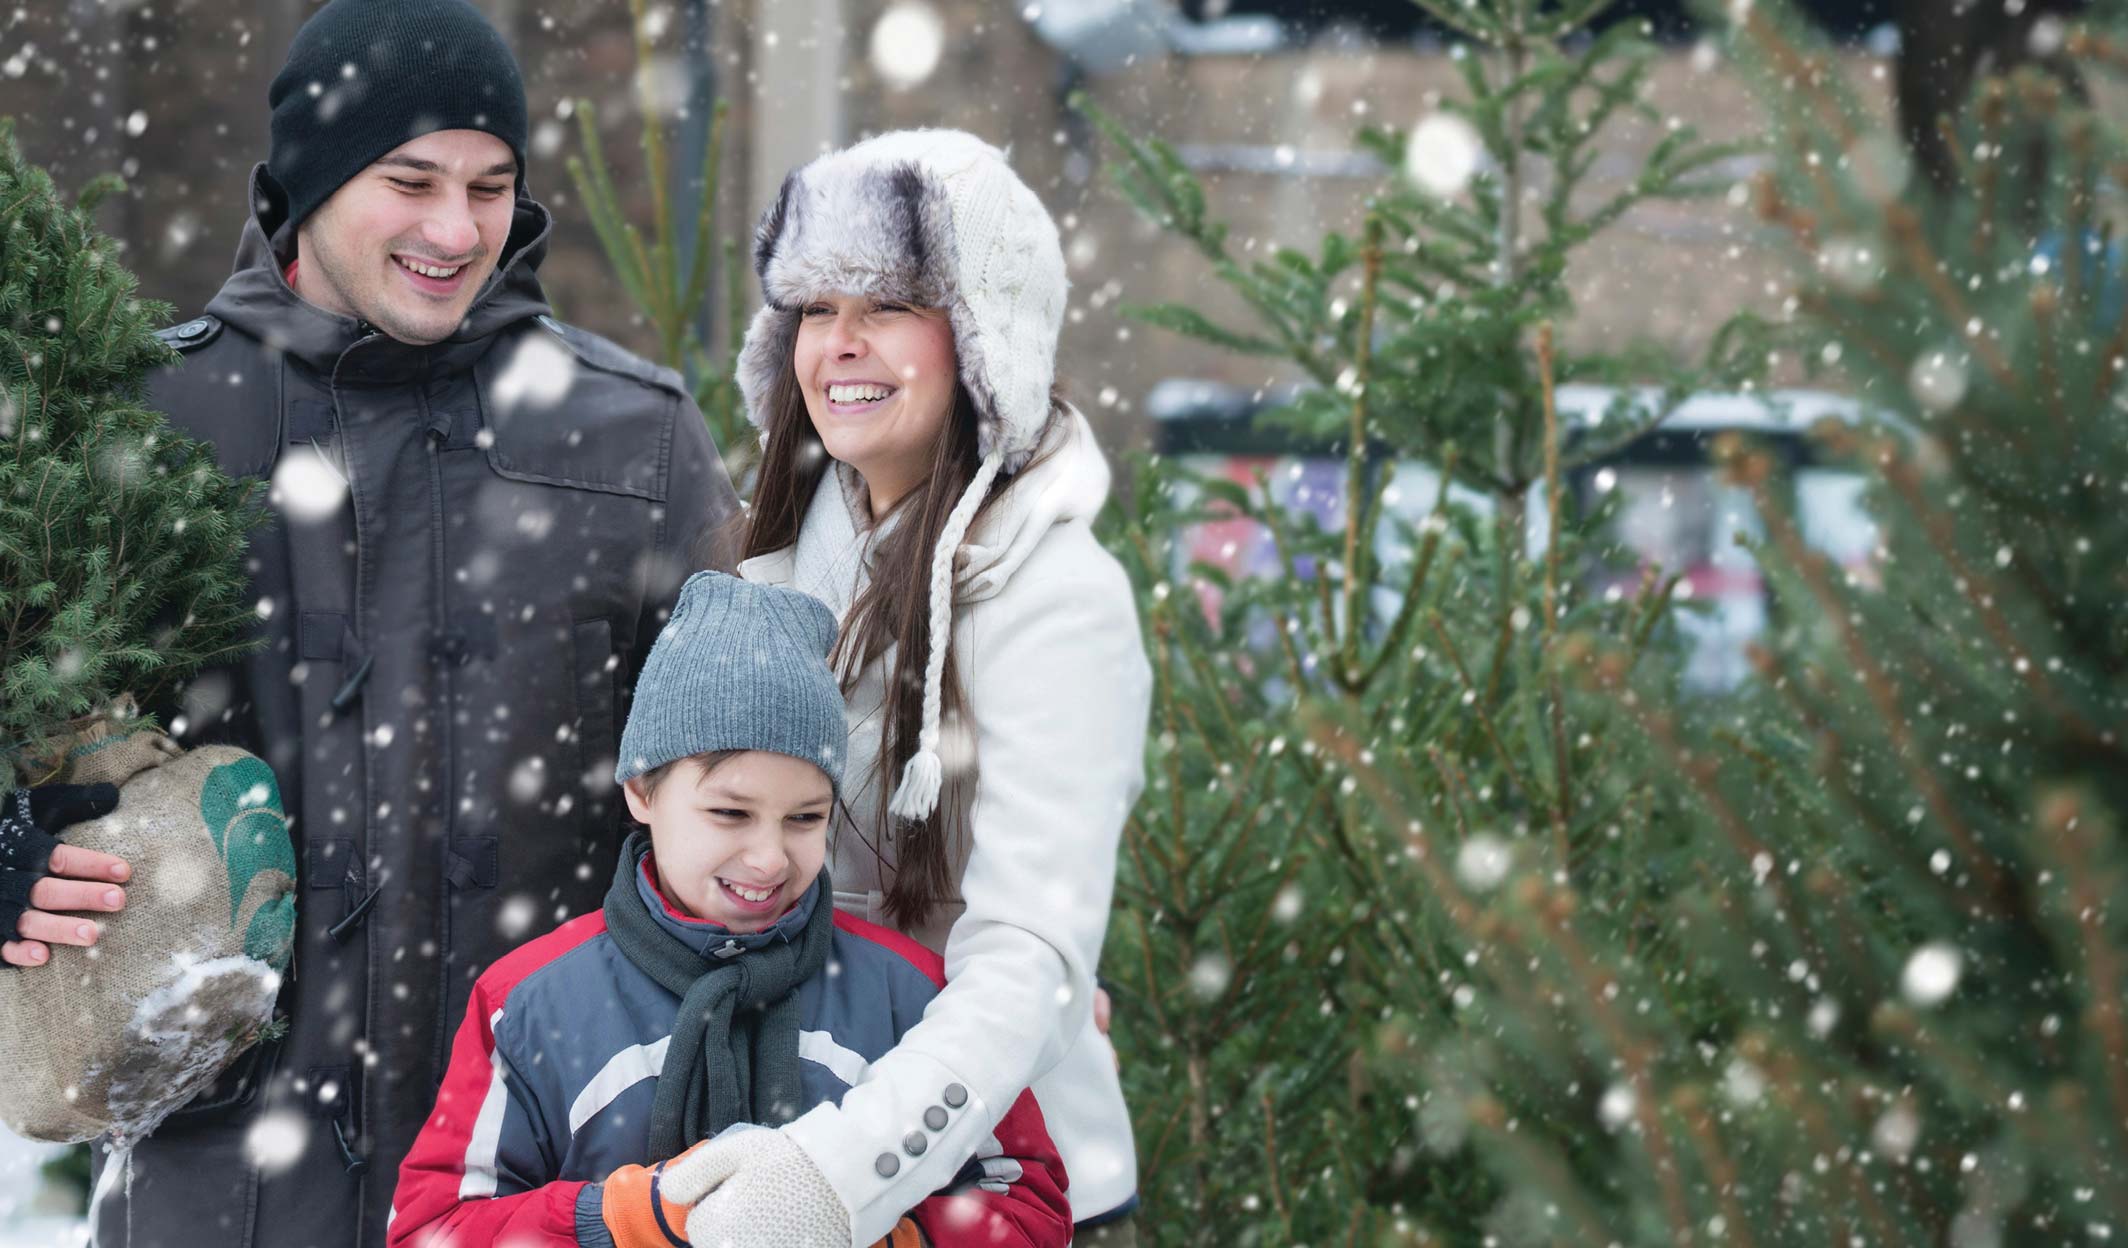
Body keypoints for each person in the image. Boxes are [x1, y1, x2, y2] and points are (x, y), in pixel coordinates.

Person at [4, 2, 741, 1244]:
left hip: (541, 1190)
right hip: (220, 1193)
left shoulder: (634, 442)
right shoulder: (134, 422)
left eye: (490, 185)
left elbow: (770, 785)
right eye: (410, 181)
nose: (455, 231)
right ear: (310, 174)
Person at [698, 128, 1154, 1244]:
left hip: (992, 1185)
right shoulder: (777, 561)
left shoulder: (1056, 597)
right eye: (814, 307)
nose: (840, 344)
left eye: (888, 304)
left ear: (984, 338)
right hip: (775, 1146)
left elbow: (1026, 961)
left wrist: (829, 1179)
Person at [388, 571, 1071, 1248]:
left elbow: (1032, 1210)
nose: (770, 857)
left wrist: (890, 1235)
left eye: (805, 818)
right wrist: (622, 1219)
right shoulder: (531, 1003)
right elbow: (432, 1230)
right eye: (730, 812)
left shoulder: (908, 993)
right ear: (641, 792)